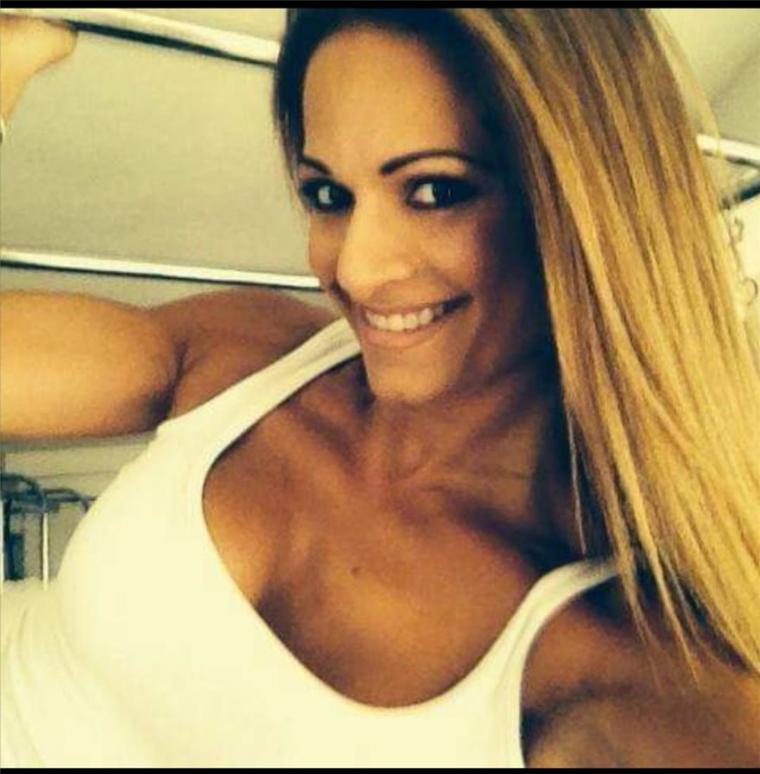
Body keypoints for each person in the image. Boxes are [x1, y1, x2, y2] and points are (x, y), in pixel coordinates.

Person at [1, 8, 759, 768]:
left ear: (587, 205)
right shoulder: (252, 353)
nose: (355, 271)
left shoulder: (623, 663)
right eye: (329, 196)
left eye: (435, 191)